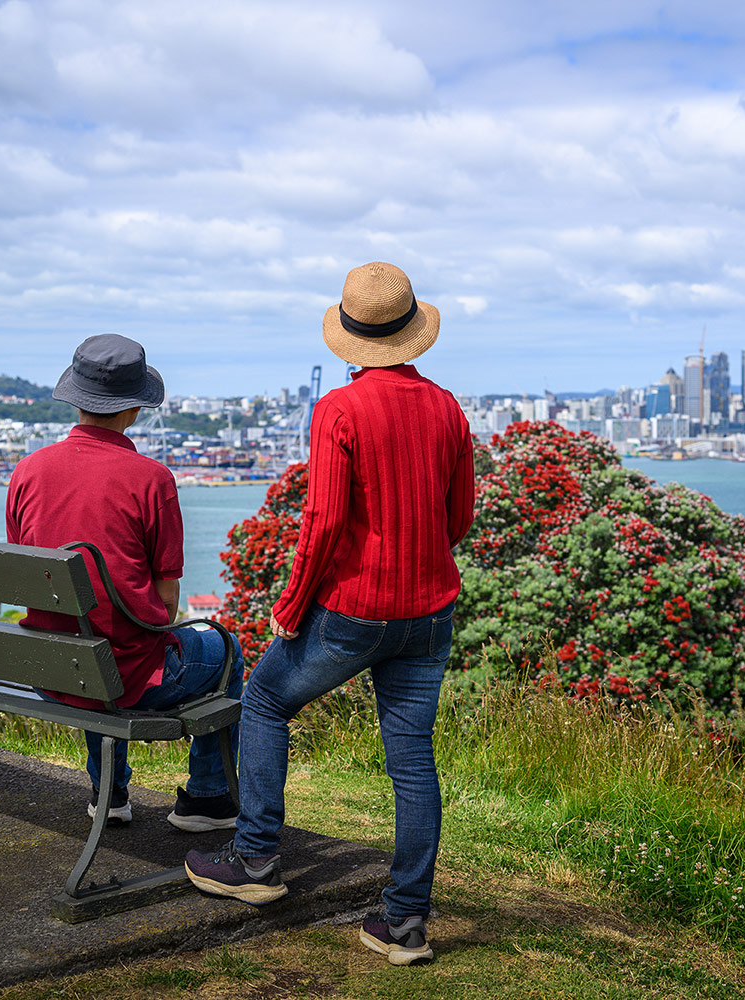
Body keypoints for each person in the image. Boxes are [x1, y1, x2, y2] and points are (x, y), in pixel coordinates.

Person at [185, 262, 475, 966]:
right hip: (431, 612)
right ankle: (404, 924)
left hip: (355, 609)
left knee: (262, 702)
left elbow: (321, 520)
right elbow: (458, 520)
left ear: (350, 336)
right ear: (412, 332)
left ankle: (255, 862)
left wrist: (290, 605)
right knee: (413, 762)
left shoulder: (340, 411)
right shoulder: (448, 408)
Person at [6, 333, 242, 832]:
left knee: (89, 637)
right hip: (122, 677)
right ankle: (208, 798)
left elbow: (24, 574)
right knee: (227, 649)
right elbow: (166, 602)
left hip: (55, 670)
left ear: (75, 398)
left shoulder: (27, 472)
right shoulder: (151, 479)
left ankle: (108, 794)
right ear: (133, 409)